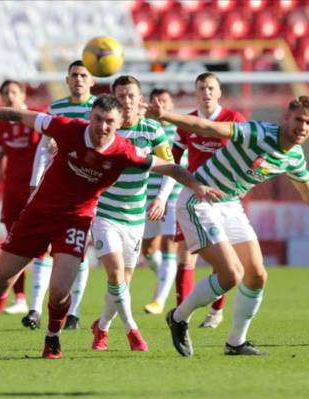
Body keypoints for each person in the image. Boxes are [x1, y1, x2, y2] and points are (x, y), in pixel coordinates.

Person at [0, 95, 222, 360]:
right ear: (91, 115)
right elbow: (17, 114)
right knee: (2, 280)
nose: (103, 126)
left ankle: (52, 337)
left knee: (60, 291)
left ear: (120, 122)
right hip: (37, 215)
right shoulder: (66, 128)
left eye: (110, 121)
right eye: (98, 118)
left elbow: (171, 168)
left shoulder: (126, 152)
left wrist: (197, 185)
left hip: (75, 220)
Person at [145, 95, 309, 357]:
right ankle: (178, 317)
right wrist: (164, 115)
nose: (302, 126)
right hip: (199, 200)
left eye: (308, 123)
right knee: (231, 274)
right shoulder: (257, 132)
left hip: (230, 204)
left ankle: (235, 343)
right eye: (298, 119)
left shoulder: (294, 157)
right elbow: (208, 128)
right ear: (285, 118)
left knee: (256, 275)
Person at [90, 76, 176, 352]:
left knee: (122, 282)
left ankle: (101, 326)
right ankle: (133, 332)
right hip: (104, 213)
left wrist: (161, 198)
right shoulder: (105, 129)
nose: (127, 102)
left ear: (141, 99)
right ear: (114, 99)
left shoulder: (152, 130)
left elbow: (171, 168)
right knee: (115, 275)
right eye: (122, 96)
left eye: (132, 96)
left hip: (135, 217)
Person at [22, 60, 96, 330]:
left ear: (91, 81)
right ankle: (33, 310)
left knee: (79, 251)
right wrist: (34, 184)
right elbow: (43, 149)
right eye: (74, 75)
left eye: (83, 75)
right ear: (67, 80)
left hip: (87, 189)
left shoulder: (98, 108)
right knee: (44, 247)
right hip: (57, 187)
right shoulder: (57, 107)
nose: (78, 79)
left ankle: (74, 312)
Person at [170, 72, 246, 328]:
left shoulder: (233, 120)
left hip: (224, 199)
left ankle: (216, 310)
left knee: (223, 258)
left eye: (211, 88)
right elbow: (173, 156)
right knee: (186, 255)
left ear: (220, 92)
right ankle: (183, 314)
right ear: (196, 92)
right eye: (202, 88)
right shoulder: (188, 122)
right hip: (194, 198)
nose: (207, 93)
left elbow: (250, 154)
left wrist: (244, 182)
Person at [0, 80, 41, 316]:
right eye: (5, 93)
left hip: (38, 189)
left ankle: (40, 301)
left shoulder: (38, 120)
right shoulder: (0, 127)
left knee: (43, 246)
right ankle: (20, 298)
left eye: (14, 92)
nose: (10, 96)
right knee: (12, 244)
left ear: (23, 94)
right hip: (12, 191)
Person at [141, 88, 183, 316]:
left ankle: (159, 299)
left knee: (169, 245)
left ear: (172, 105)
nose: (161, 105)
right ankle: (167, 279)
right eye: (157, 101)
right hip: (148, 195)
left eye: (165, 101)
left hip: (173, 194)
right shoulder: (146, 128)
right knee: (148, 250)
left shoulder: (179, 130)